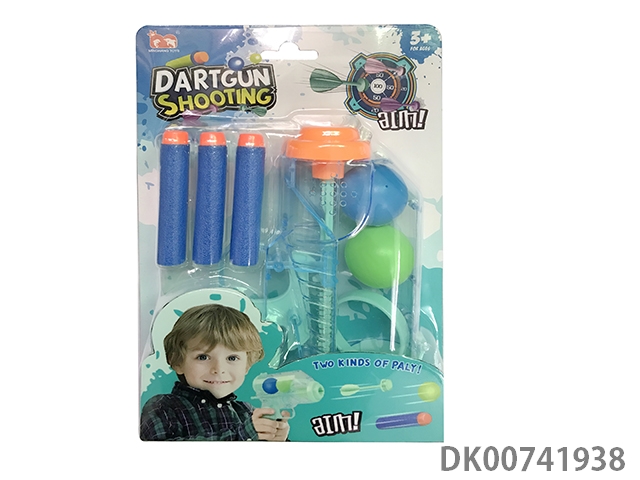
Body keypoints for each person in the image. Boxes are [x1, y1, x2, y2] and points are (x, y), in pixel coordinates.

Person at [140, 303, 289, 441]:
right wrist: (244, 436)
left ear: (247, 366)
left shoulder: (245, 411)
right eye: (203, 357)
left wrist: (275, 440)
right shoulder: (163, 408)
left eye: (232, 358)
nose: (218, 369)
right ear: (177, 362)